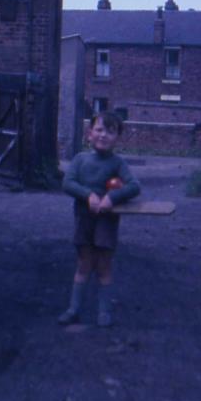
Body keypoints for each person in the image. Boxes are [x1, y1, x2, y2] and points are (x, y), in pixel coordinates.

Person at [59, 111, 140, 327]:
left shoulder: (117, 163)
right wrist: (88, 195)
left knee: (104, 265)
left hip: (107, 222)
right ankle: (73, 309)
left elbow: (134, 186)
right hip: (83, 219)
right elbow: (67, 183)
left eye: (110, 131)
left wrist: (112, 198)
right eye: (99, 130)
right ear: (90, 134)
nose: (104, 135)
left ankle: (104, 312)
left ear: (117, 137)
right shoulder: (80, 159)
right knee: (84, 263)